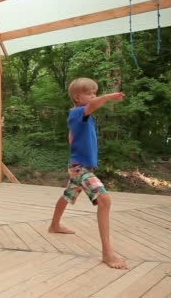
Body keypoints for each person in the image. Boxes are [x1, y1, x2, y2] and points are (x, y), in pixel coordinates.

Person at [48, 77, 128, 270]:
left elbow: (71, 138)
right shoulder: (78, 112)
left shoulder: (80, 117)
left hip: (79, 165)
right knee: (104, 200)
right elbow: (92, 105)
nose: (94, 96)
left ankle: (54, 226)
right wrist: (108, 96)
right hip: (79, 167)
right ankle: (107, 252)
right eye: (90, 93)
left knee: (68, 195)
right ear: (77, 97)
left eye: (95, 92)